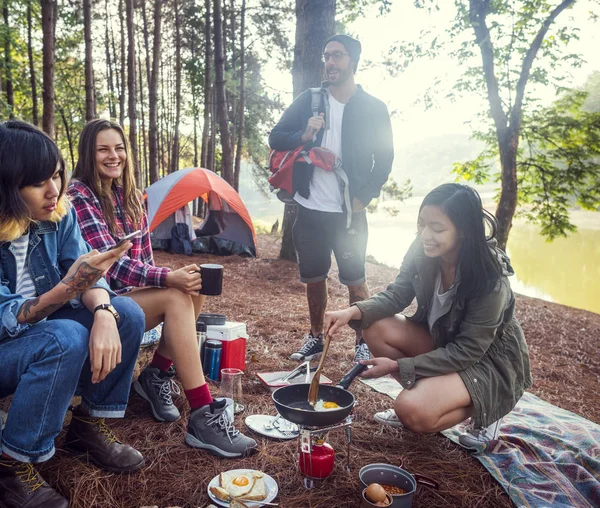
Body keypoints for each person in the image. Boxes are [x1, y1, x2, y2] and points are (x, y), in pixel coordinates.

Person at [67, 119, 256, 458]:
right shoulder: (80, 194)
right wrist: (168, 279)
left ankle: (156, 375)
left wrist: (173, 275)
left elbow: (145, 261)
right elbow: (108, 264)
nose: (114, 156)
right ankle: (202, 414)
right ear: (88, 154)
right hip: (95, 303)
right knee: (174, 293)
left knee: (193, 286)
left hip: (128, 300)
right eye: (103, 149)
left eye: (119, 148)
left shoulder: (131, 198)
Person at [0, 121, 146, 507]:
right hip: (7, 348)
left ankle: (88, 427)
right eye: (37, 183)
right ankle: (10, 465)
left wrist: (101, 311)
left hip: (43, 336)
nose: (54, 191)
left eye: (56, 175)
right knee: (63, 336)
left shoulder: (57, 214)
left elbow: (84, 269)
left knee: (125, 313)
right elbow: (9, 318)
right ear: (7, 188)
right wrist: (68, 288)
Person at [324, 184, 532, 447]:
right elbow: (398, 294)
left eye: (437, 228)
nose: (425, 234)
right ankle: (431, 395)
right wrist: (352, 311)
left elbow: (468, 350)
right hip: (445, 340)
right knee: (373, 325)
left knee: (411, 411)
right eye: (422, 224)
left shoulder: (489, 278)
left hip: (484, 360)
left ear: (465, 230)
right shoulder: (422, 247)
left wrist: (399, 367)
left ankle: (488, 407)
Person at [269, 34, 394, 363]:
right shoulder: (310, 100)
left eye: (337, 56)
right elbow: (276, 136)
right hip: (310, 207)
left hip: (349, 213)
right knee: (314, 276)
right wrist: (304, 135)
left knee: (356, 279)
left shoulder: (373, 108)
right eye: (327, 56)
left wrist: (363, 197)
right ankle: (314, 336)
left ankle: (363, 341)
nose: (330, 62)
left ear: (353, 61)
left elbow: (384, 160)